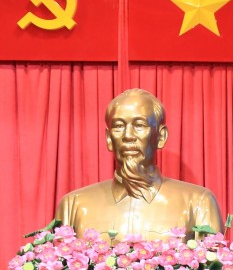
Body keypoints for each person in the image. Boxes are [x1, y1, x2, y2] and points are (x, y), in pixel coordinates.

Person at [56, 88, 221, 239]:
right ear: (109, 138)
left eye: (139, 125)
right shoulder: (73, 205)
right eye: (119, 126)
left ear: (161, 136)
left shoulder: (198, 203)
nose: (128, 136)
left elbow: (213, 261)